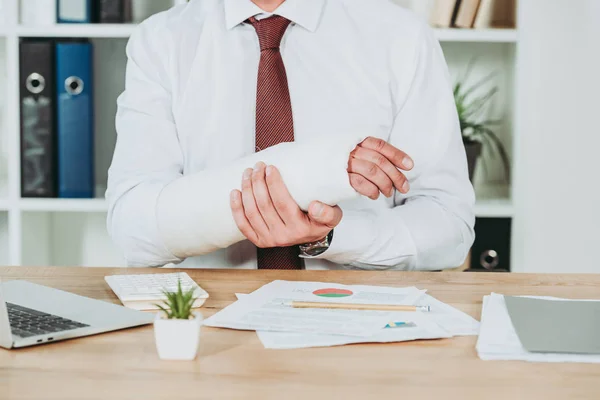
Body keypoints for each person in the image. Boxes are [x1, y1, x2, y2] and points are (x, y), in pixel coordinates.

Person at [106, 0, 475, 271]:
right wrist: (316, 170)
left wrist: (330, 236)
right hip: (205, 323)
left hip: (361, 320)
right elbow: (134, 231)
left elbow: (449, 230)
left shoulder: (401, 37)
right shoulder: (161, 41)